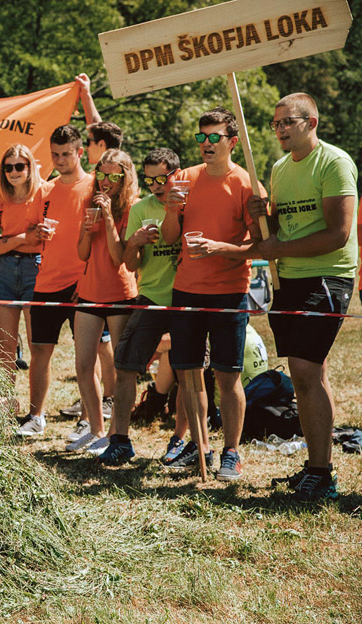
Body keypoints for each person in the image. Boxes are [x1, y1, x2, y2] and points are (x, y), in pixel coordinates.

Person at [249, 93, 358, 502]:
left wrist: (278, 249)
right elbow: (278, 229)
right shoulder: (278, 168)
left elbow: (338, 233)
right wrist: (257, 212)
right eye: (275, 123)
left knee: (304, 370)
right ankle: (316, 465)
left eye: (286, 122)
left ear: (311, 122)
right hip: (289, 279)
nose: (279, 129)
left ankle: (321, 473)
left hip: (327, 278)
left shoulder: (334, 162)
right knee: (308, 375)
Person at [160, 107, 263, 481]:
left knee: (228, 375)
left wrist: (220, 248)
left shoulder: (246, 183)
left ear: (232, 142)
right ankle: (201, 447)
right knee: (188, 374)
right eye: (200, 137)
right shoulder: (184, 178)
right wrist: (172, 210)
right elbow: (170, 238)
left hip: (229, 291)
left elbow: (259, 245)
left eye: (213, 137)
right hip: (186, 288)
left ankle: (231, 452)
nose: (205, 144)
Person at [97, 148, 182, 465]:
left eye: (162, 178)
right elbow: (130, 265)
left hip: (187, 296)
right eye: (150, 180)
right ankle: (120, 440)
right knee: (125, 367)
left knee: (188, 371)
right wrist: (134, 242)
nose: (157, 186)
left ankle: (182, 440)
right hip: (150, 298)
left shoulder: (189, 202)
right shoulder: (140, 208)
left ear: (175, 174)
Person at [16, 125, 93, 436]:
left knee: (85, 356)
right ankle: (36, 417)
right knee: (40, 351)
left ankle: (88, 419)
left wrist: (88, 280)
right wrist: (38, 234)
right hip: (46, 282)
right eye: (55, 155)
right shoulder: (44, 189)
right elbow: (33, 230)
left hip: (83, 283)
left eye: (66, 154)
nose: (60, 160)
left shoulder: (93, 187)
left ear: (80, 152)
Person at [65, 150, 138, 454]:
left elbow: (118, 256)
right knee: (83, 364)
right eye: (102, 175)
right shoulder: (88, 202)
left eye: (113, 176)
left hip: (120, 293)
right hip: (89, 292)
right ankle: (95, 429)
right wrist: (84, 232)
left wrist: (108, 218)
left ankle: (115, 433)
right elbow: (82, 254)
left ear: (125, 178)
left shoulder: (132, 207)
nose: (106, 181)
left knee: (121, 369)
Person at [0, 145, 43, 380]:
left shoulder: (42, 194)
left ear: (30, 167)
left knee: (36, 345)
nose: (14, 172)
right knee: (5, 345)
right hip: (4, 270)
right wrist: (24, 238)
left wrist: (8, 241)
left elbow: (42, 243)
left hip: (35, 269)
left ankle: (36, 410)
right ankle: (5, 407)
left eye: (19, 166)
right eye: (8, 167)